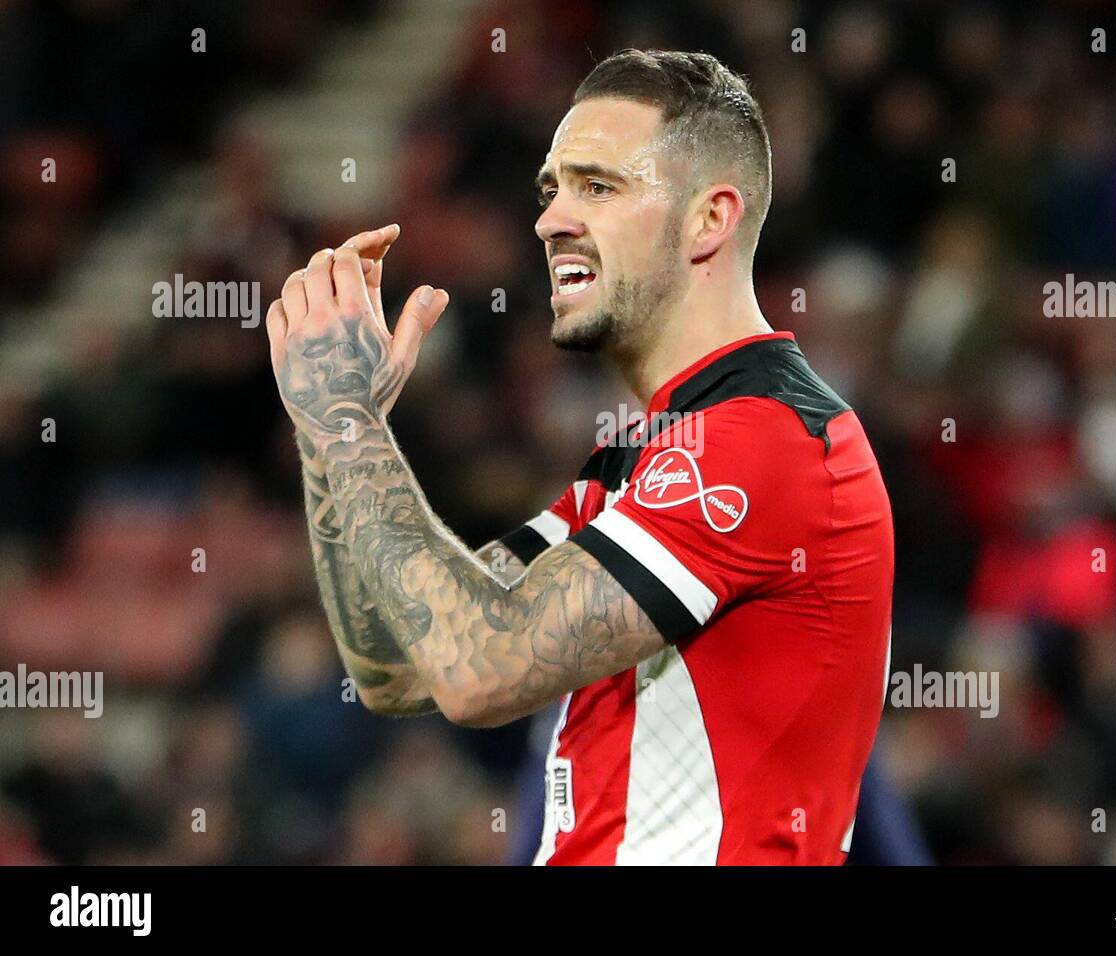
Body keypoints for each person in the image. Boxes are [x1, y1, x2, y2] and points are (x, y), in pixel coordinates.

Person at [265, 49, 894, 865]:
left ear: (709, 220)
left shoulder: (764, 442)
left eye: (597, 187)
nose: (551, 220)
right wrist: (330, 432)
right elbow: (397, 665)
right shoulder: (638, 459)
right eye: (551, 189)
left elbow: (481, 672)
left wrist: (349, 424)